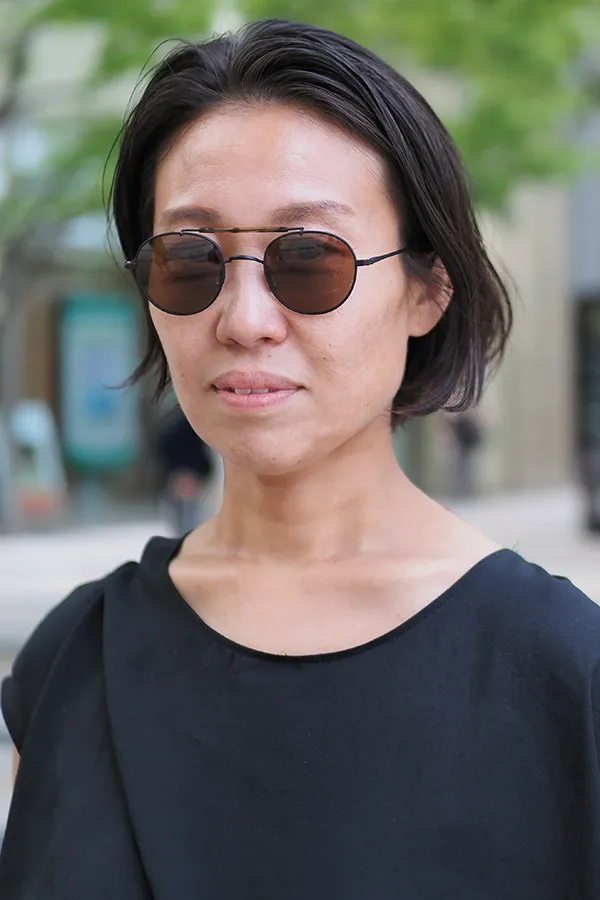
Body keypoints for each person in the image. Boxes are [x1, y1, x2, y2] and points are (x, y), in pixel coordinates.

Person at [1, 19, 599, 899]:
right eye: (191, 259)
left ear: (429, 288)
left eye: (310, 258)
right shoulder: (68, 665)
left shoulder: (564, 673)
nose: (244, 320)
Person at [155, 406, 215, 535]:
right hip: (186, 469)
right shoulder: (186, 425)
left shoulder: (181, 423)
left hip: (186, 469)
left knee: (188, 510)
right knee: (187, 510)